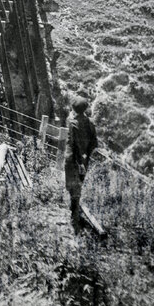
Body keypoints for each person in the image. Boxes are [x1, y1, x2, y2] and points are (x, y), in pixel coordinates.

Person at [65, 95, 98, 231]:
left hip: (72, 159)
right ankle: (75, 210)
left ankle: (74, 216)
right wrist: (86, 158)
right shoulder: (90, 123)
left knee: (72, 185)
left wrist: (79, 161)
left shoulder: (71, 122)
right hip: (84, 159)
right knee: (79, 183)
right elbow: (94, 143)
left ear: (73, 108)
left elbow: (73, 144)